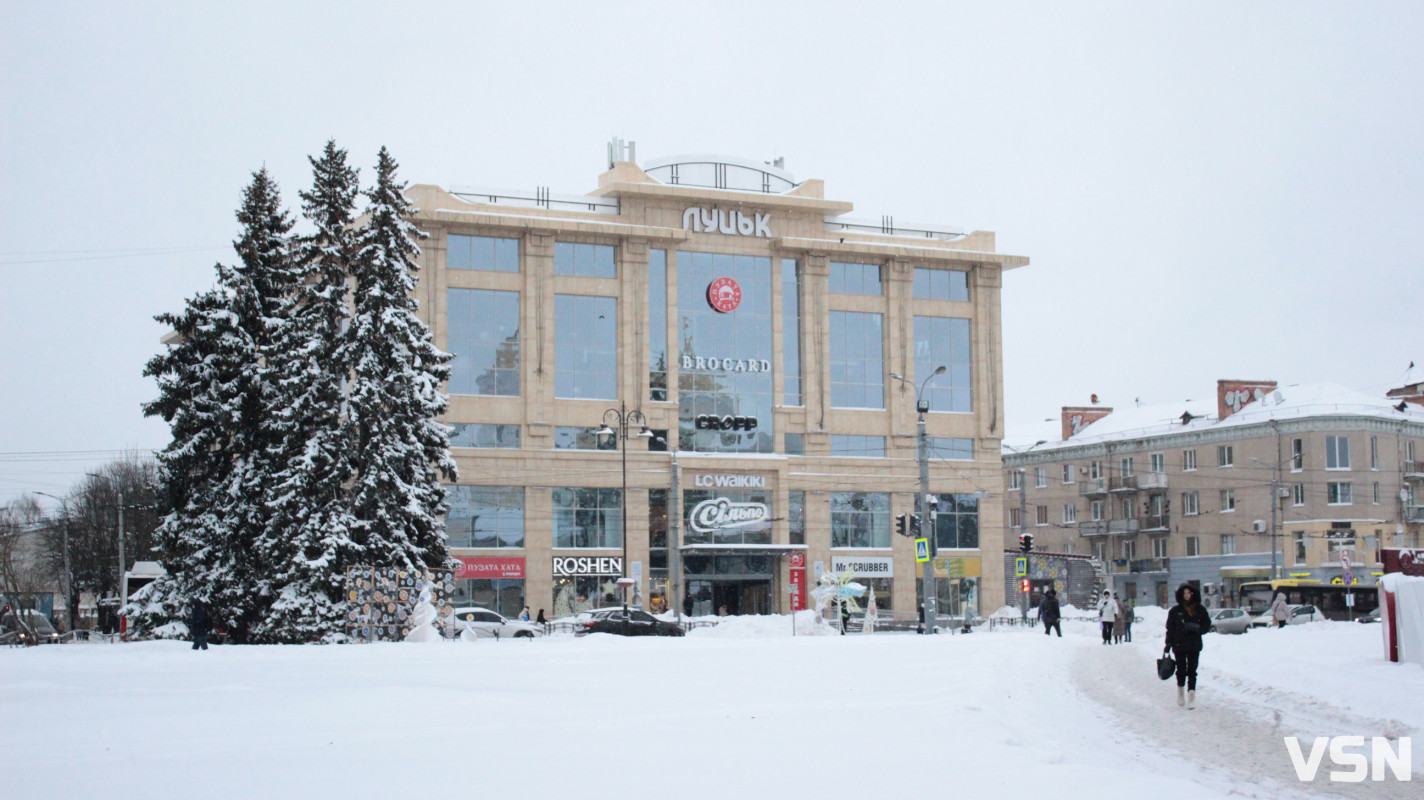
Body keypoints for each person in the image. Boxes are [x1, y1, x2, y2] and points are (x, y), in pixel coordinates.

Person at [1165, 583, 1213, 709]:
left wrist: (1198, 629)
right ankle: (1180, 693)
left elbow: (1207, 625)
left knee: (1192, 671)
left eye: (1188, 593)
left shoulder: (1200, 609)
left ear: (1193, 594)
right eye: (1184, 593)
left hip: (1194, 644)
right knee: (1181, 670)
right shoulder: (1175, 611)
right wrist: (1168, 645)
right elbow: (1170, 629)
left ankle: (1191, 696)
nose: (1186, 596)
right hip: (1179, 645)